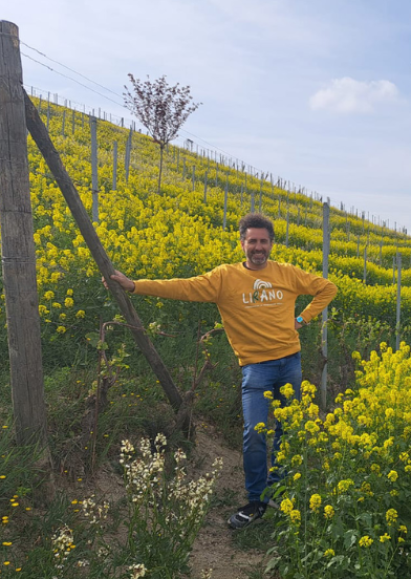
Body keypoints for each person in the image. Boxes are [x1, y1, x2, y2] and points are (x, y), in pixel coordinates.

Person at [106, 213, 337, 529]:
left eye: (263, 241)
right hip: (255, 367)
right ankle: (257, 501)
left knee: (288, 430)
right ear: (242, 243)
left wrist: (302, 320)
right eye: (252, 241)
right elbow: (183, 287)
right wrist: (134, 286)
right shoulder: (224, 278)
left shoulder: (287, 273)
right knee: (255, 433)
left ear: (271, 244)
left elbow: (327, 288)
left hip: (290, 362)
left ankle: (281, 492)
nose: (258, 247)